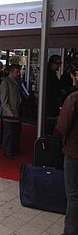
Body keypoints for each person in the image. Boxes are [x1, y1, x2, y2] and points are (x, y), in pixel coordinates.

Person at [57, 59, 78, 235]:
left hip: (74, 153)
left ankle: (70, 231)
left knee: (73, 195)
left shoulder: (73, 99)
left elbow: (62, 127)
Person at [0, 64, 24, 159]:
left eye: (19, 72)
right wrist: (9, 112)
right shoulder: (5, 82)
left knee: (16, 132)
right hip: (10, 113)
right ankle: (7, 151)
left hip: (17, 111)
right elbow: (4, 100)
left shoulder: (16, 81)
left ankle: (14, 148)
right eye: (16, 72)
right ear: (11, 72)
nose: (18, 74)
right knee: (9, 133)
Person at [45, 54, 62, 135]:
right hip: (50, 105)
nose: (59, 66)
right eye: (58, 63)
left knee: (49, 127)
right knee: (48, 127)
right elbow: (51, 90)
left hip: (51, 104)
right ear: (52, 63)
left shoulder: (51, 74)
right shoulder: (49, 75)